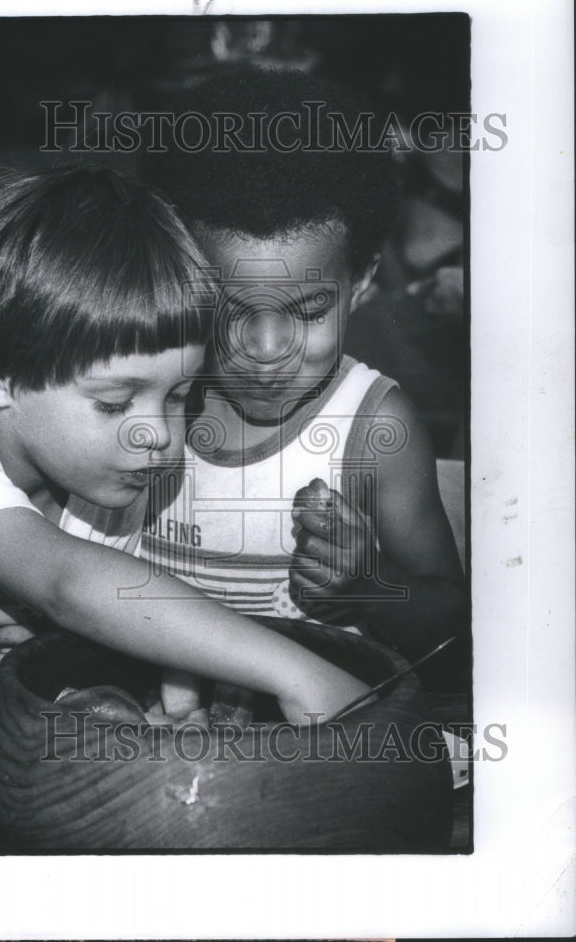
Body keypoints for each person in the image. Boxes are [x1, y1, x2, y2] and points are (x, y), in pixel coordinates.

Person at [0, 165, 369, 718]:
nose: (159, 435)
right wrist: (301, 674)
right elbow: (68, 581)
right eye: (115, 403)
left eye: (178, 396)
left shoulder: (108, 483)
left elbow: (18, 656)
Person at [140, 67, 466, 681]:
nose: (268, 351)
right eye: (232, 311)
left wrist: (368, 587)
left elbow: (448, 620)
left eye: (309, 311)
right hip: (157, 739)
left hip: (317, 752)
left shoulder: (373, 430)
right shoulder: (144, 398)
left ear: (361, 282)